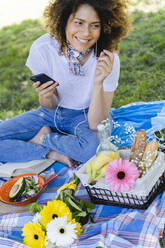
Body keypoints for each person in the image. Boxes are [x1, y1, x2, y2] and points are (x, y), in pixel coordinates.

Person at [0, 0, 131, 167]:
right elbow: (49, 105)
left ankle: (44, 138)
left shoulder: (108, 60)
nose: (86, 33)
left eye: (95, 25)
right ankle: (49, 151)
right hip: (51, 114)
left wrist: (99, 82)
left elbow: (97, 124)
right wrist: (45, 96)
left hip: (86, 114)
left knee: (93, 150)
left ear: (105, 27)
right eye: (79, 23)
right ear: (63, 20)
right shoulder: (43, 48)